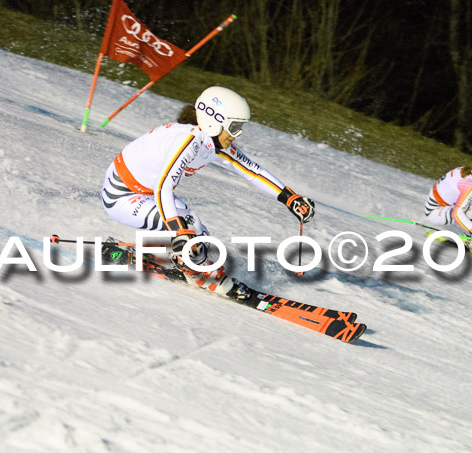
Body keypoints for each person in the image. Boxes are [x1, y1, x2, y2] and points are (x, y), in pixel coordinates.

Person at [101, 86, 315, 297]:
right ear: (215, 121)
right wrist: (178, 230)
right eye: (234, 127)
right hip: (122, 196)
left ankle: (180, 260)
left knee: (200, 235)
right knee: (188, 227)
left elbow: (253, 171)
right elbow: (163, 186)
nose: (237, 134)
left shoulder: (211, 142)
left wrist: (290, 198)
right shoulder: (187, 140)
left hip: (146, 193)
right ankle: (201, 276)